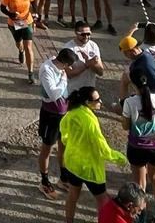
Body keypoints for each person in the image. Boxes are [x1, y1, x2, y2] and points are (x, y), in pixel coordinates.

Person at [59, 86, 126, 223]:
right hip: (89, 168)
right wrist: (119, 158)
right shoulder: (90, 120)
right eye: (97, 100)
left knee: (72, 195)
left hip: (72, 163)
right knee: (103, 201)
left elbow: (64, 135)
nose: (100, 101)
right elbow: (101, 147)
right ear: (87, 102)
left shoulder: (70, 114)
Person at [121, 75, 155, 222]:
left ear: (134, 85)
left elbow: (125, 126)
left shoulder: (129, 102)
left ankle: (142, 217)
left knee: (140, 184)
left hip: (137, 147)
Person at [37, 46, 78, 199]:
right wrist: (63, 78)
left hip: (63, 113)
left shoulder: (59, 64)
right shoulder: (47, 70)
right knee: (47, 149)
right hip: (50, 115)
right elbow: (54, 94)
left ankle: (63, 178)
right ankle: (44, 182)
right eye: (69, 65)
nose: (70, 68)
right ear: (64, 63)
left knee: (64, 145)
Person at [0, 0, 37, 84]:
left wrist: (35, 16)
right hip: (14, 23)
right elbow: (2, 8)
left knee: (29, 47)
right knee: (18, 43)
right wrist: (10, 14)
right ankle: (20, 51)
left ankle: (30, 73)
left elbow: (34, 3)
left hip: (27, 21)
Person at [118, 36, 155, 104]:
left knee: (115, 108)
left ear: (133, 51)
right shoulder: (145, 54)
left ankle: (123, 105)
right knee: (126, 75)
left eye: (125, 53)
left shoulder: (142, 67)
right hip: (147, 93)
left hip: (150, 100)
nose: (125, 56)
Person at [64, 19, 104, 94]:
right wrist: (86, 65)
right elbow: (69, 74)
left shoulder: (93, 46)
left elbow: (100, 72)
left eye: (88, 34)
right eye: (83, 34)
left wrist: (93, 64)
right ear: (76, 33)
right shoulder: (68, 48)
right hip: (73, 91)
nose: (86, 36)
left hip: (90, 90)